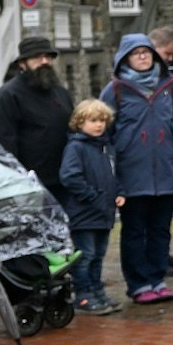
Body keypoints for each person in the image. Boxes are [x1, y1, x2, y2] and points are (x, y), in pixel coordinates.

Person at [100, 34, 173, 305]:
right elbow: (103, 133)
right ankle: (138, 283)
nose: (143, 57)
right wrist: (109, 171)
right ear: (125, 58)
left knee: (161, 229)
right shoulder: (115, 91)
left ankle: (157, 279)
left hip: (167, 171)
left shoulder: (169, 87)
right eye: (137, 53)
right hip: (131, 174)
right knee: (135, 230)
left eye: (147, 52)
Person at [0, 35, 75, 201]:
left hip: (65, 180)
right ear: (22, 63)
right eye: (37, 57)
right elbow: (4, 145)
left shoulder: (60, 92)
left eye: (48, 57)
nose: (44, 61)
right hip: (30, 186)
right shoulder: (8, 96)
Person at [59, 99, 124, 316]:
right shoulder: (76, 147)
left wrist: (118, 192)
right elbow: (70, 176)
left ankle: (97, 290)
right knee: (85, 255)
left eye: (102, 121)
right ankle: (84, 294)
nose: (99, 125)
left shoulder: (104, 147)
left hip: (103, 211)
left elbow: (112, 175)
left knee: (98, 255)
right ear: (80, 122)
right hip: (85, 212)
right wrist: (92, 196)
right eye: (93, 121)